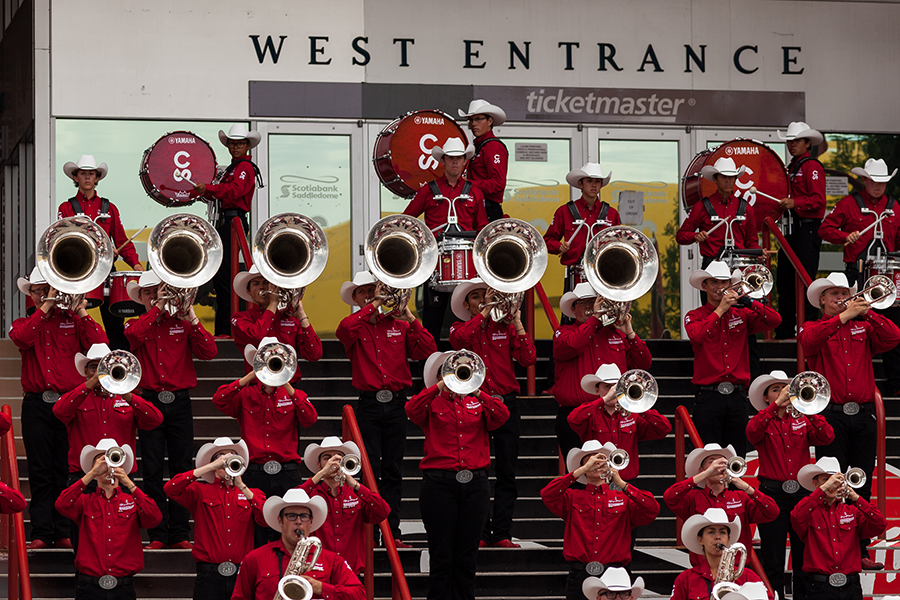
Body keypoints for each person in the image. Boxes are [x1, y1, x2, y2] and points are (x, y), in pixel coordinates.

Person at [798, 272, 900, 569]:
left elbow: (893, 337)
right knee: (832, 480)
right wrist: (844, 317)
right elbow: (809, 342)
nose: (841, 298)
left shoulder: (863, 326)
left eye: (845, 293)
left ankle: (860, 551)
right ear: (822, 301)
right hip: (831, 414)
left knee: (860, 482)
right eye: (834, 294)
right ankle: (832, 552)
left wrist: (868, 313)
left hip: (863, 412)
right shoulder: (814, 326)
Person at [335, 272, 436, 547]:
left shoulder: (400, 325)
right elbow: (342, 331)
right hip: (368, 404)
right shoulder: (354, 326)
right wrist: (374, 304)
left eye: (374, 290)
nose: (369, 295)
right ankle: (368, 534)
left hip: (395, 404)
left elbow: (427, 349)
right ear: (355, 298)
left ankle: (392, 533)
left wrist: (411, 317)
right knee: (366, 471)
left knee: (392, 470)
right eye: (363, 292)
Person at [10, 266, 107, 549]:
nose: (44, 294)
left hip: (70, 403)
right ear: (32, 294)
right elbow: (22, 339)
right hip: (36, 403)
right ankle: (41, 531)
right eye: (39, 290)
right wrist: (48, 305)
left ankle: (64, 529)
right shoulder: (24, 322)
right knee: (40, 469)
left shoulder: (73, 321)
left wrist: (81, 311)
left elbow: (100, 346)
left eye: (47, 288)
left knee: (66, 468)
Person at [123, 270, 217, 550]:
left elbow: (209, 352)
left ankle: (179, 533)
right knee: (151, 469)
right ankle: (157, 534)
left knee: (180, 468)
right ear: (140, 297)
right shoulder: (134, 323)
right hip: (149, 400)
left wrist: (191, 315)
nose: (155, 296)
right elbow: (134, 336)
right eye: (149, 292)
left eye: (159, 290)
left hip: (179, 401)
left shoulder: (184, 322)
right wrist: (159, 308)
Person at [406, 350, 510, 600]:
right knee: (441, 555)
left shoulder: (478, 402)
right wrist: (440, 384)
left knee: (467, 556)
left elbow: (502, 416)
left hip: (475, 485)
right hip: (439, 485)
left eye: (463, 370)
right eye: (451, 369)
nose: (458, 373)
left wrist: (477, 390)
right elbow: (411, 409)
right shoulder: (432, 402)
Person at [449, 278, 537, 548]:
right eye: (476, 297)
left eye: (485, 296)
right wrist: (486, 312)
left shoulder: (506, 327)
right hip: (476, 405)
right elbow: (460, 340)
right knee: (478, 472)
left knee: (507, 472)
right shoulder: (459, 327)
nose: (482, 300)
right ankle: (479, 533)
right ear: (466, 304)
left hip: (507, 403)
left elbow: (528, 359)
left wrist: (518, 324)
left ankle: (502, 533)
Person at [52, 343, 163, 548]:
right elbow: (59, 411)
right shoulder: (77, 397)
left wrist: (127, 392)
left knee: (123, 539)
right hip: (84, 476)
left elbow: (155, 419)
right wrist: (90, 383)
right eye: (95, 367)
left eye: (106, 367)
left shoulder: (127, 398)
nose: (101, 371)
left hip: (121, 476)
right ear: (86, 370)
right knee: (83, 541)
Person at [212, 337, 318, 546]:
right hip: (254, 470)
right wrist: (253, 374)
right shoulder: (245, 394)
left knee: (291, 528)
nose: (272, 364)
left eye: (276, 360)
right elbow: (219, 399)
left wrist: (285, 379)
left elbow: (310, 418)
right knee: (257, 530)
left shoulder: (295, 394)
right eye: (266, 359)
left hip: (287, 471)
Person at [746, 370, 834, 600]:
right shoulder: (763, 420)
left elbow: (827, 437)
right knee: (773, 556)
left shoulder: (803, 419)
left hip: (802, 495)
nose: (784, 393)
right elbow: (751, 432)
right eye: (776, 389)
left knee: (803, 556)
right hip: (772, 494)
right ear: (766, 398)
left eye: (786, 388)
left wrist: (809, 409)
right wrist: (776, 407)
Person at [818, 158, 900, 394]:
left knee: (891, 325)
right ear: (864, 180)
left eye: (882, 182)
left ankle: (895, 383)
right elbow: (825, 229)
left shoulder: (894, 207)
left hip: (887, 277)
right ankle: (852, 385)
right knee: (855, 327)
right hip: (856, 273)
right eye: (874, 181)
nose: (878, 186)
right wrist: (844, 236)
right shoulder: (848, 203)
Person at [684, 260, 781, 457]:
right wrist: (720, 310)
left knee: (738, 457)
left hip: (738, 396)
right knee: (709, 457)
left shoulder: (742, 313)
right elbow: (696, 336)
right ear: (704, 286)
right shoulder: (694, 315)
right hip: (708, 396)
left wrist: (749, 302)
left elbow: (774, 320)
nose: (720, 288)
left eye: (724, 283)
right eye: (714, 283)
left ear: (731, 285)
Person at [541, 441, 659, 600]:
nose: (596, 464)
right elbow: (547, 494)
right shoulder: (572, 497)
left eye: (601, 460)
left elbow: (652, 509)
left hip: (616, 574)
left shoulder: (623, 498)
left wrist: (622, 484)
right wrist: (580, 471)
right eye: (590, 460)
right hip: (580, 574)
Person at [403, 137, 489, 344]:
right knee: (433, 320)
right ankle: (430, 366)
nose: (455, 163)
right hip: (436, 264)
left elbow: (483, 229)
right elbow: (407, 220)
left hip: (467, 265)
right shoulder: (427, 190)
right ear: (443, 160)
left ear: (464, 161)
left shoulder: (475, 192)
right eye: (451, 158)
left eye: (459, 158)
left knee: (472, 318)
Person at [553, 282, 652, 457]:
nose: (590, 307)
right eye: (583, 303)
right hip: (576, 414)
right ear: (573, 309)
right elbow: (573, 346)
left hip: (612, 414)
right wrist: (596, 318)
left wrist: (630, 334)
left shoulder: (616, 333)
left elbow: (643, 364)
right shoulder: (563, 333)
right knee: (580, 473)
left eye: (594, 302)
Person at [55, 439, 162, 600]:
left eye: (112, 459)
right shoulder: (85, 501)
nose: (107, 466)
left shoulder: (132, 500)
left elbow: (154, 518)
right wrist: (91, 474)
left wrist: (128, 482)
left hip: (123, 586)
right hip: (89, 586)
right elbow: (61, 505)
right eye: (102, 460)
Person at [58, 154, 144, 351]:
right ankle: (79, 361)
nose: (87, 178)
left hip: (106, 269)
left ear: (97, 178)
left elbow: (122, 241)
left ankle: (118, 361)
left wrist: (137, 265)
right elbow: (64, 240)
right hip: (77, 270)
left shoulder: (109, 207)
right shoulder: (66, 207)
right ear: (75, 177)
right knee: (76, 318)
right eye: (83, 174)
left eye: (91, 174)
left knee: (114, 321)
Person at [164, 437, 266, 600]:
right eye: (220, 457)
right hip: (209, 575)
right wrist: (210, 467)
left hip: (242, 574)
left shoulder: (253, 493)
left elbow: (265, 518)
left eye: (231, 457)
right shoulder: (199, 490)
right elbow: (171, 489)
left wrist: (241, 486)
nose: (226, 461)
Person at [192, 124, 263, 337]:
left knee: (226, 278)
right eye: (232, 143)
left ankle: (226, 330)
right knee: (223, 277)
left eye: (239, 143)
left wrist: (210, 188)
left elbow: (234, 191)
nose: (235, 147)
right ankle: (225, 328)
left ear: (247, 145)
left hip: (234, 222)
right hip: (227, 222)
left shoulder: (244, 168)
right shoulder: (235, 168)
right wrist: (206, 191)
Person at [232, 488, 365, 600]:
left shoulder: (332, 560)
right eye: (291, 516)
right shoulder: (254, 558)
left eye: (304, 516)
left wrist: (321, 588)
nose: (298, 521)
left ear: (311, 522)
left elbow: (359, 595)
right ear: (280, 521)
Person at [664, 443, 779, 566]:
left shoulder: (741, 497)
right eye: (711, 461)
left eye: (722, 462)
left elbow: (772, 512)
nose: (718, 465)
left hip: (736, 569)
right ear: (702, 470)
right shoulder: (692, 498)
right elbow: (669, 497)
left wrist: (745, 486)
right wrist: (704, 474)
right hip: (703, 569)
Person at [791, 457, 887, 600]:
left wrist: (856, 498)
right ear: (815, 483)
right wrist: (822, 490)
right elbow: (796, 516)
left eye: (835, 481)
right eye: (826, 480)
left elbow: (880, 524)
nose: (832, 485)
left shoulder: (852, 511)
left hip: (851, 587)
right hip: (819, 587)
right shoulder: (809, 512)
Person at [299, 437, 391, 576]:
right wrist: (322, 474)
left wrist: (355, 484)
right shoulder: (310, 494)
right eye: (327, 458)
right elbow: (293, 500)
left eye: (338, 458)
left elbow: (383, 511)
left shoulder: (357, 493)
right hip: (318, 573)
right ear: (319, 465)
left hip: (351, 573)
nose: (333, 462)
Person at [568, 363, 671, 482]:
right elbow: (573, 419)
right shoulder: (590, 413)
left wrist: (639, 407)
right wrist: (605, 399)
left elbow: (664, 429)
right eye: (607, 386)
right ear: (597, 390)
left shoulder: (633, 414)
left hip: (626, 481)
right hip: (599, 481)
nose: (613, 391)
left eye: (616, 386)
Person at [773, 122, 826, 340]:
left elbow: (819, 201)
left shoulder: (811, 166)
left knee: (805, 281)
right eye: (789, 141)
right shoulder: (793, 166)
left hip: (806, 230)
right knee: (785, 281)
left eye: (796, 141)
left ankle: (809, 331)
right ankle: (785, 330)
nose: (791, 145)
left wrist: (796, 202)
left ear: (807, 143)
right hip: (792, 230)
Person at [231, 264, 323, 383]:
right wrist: (273, 303)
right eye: (256, 284)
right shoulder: (240, 318)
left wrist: (302, 315)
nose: (262, 287)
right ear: (248, 291)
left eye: (266, 282)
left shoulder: (289, 316)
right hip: (259, 388)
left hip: (289, 388)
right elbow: (257, 335)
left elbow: (314, 354)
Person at [544, 163, 620, 293]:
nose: (594, 185)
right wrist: (559, 246)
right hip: (575, 275)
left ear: (601, 185)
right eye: (589, 181)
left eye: (597, 181)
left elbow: (619, 245)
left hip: (604, 274)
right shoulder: (564, 211)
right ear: (580, 184)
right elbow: (547, 240)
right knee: (573, 312)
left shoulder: (612, 214)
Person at [670, 508, 772, 600]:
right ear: (700, 539)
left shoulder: (748, 576)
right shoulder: (685, 579)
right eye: (711, 532)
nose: (718, 537)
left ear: (728, 539)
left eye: (722, 532)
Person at [676, 157, 761, 266]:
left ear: (735, 179)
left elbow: (751, 242)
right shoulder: (701, 206)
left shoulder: (746, 208)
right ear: (715, 179)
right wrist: (695, 236)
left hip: (739, 268)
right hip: (711, 267)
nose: (728, 180)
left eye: (731, 177)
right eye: (723, 176)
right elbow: (681, 236)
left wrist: (758, 252)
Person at [459, 99, 509, 222]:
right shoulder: (480, 146)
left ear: (490, 121)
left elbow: (498, 183)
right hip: (479, 206)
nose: (473, 124)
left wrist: (468, 184)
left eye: (478, 119)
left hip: (487, 209)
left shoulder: (493, 147)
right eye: (470, 120)